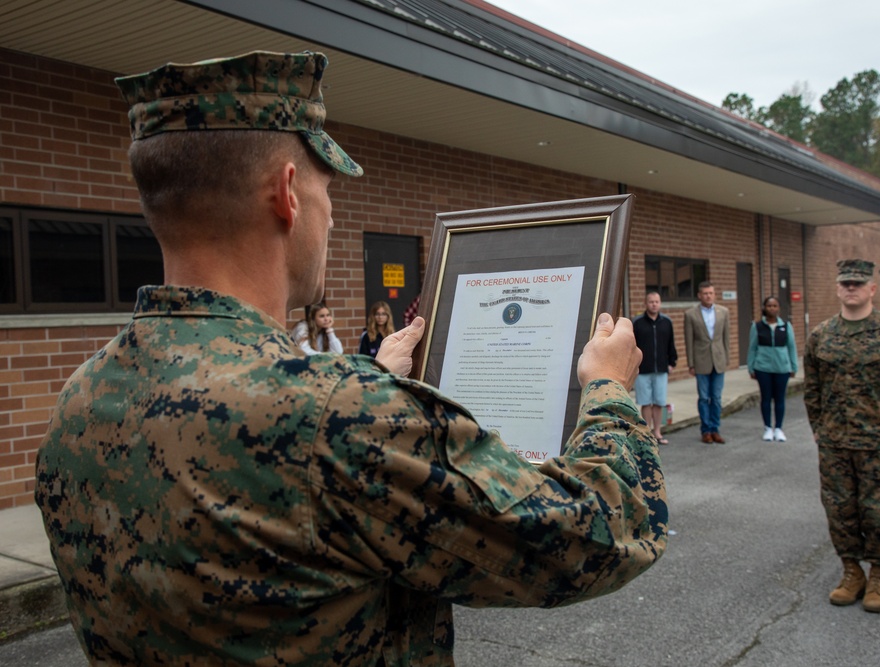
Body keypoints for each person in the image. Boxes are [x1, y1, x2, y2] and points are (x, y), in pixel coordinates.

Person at [33, 51, 669, 667]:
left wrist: (366, 382)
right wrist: (609, 391)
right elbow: (599, 533)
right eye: (327, 188)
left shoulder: (81, 398)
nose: (332, 213)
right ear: (288, 193)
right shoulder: (340, 417)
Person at [803, 259, 880, 614]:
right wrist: (818, 428)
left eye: (859, 284)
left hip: (879, 443)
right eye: (846, 284)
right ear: (838, 288)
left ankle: (878, 575)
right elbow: (812, 387)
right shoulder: (822, 335)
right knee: (840, 510)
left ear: (872, 289)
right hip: (835, 443)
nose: (851, 289)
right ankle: (851, 571)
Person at [684, 281, 731, 443]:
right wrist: (691, 363)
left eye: (711, 293)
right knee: (704, 397)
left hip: (718, 359)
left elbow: (726, 338)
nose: (708, 296)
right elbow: (689, 341)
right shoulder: (690, 314)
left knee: (716, 398)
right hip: (701, 360)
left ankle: (715, 429)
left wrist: (727, 358)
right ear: (699, 295)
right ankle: (705, 430)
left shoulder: (723, 312)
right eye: (705, 293)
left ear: (714, 294)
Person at [746, 296, 797, 442]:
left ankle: (779, 428)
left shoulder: (786, 326)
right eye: (769, 306)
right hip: (763, 368)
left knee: (780, 398)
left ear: (779, 308)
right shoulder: (757, 327)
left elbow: (792, 347)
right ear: (764, 308)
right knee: (766, 398)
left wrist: (793, 366)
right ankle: (768, 427)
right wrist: (751, 367)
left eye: (775, 306)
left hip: (782, 368)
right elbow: (752, 348)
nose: (772, 308)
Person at [632, 291, 678, 445]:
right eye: (651, 301)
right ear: (646, 303)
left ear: (660, 303)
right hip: (643, 370)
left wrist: (672, 362)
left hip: (661, 369)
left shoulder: (667, 322)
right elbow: (632, 346)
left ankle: (657, 432)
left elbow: (671, 344)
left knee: (659, 402)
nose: (654, 304)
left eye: (656, 301)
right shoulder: (637, 323)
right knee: (646, 402)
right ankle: (647, 434)